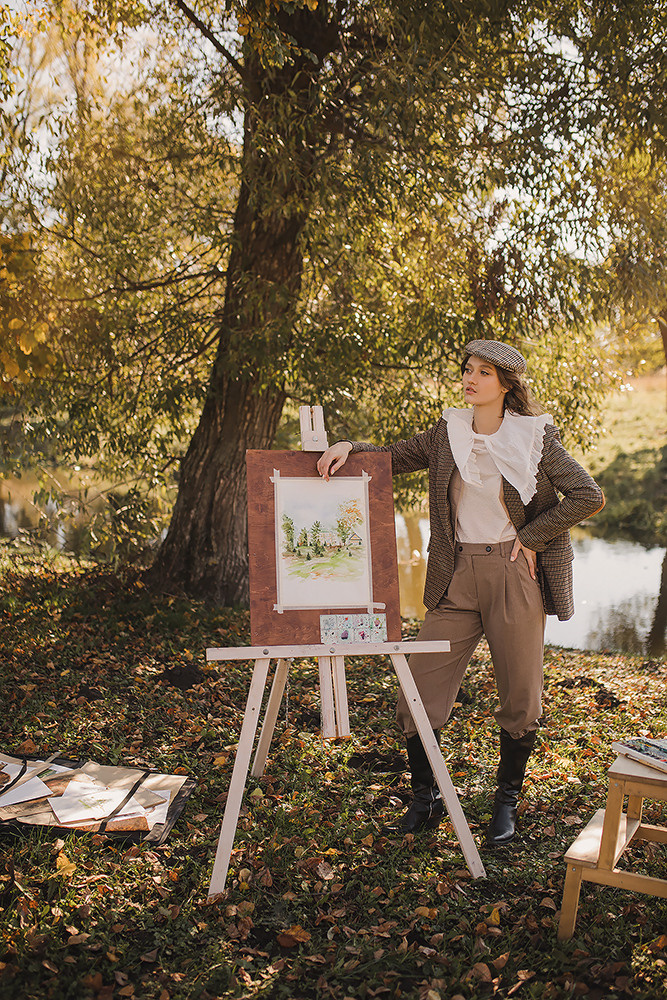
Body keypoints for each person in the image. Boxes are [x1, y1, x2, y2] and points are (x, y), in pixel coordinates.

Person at [317, 339, 605, 846]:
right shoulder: (448, 433)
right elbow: (393, 457)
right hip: (456, 576)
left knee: (521, 695)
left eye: (484, 373)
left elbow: (588, 494)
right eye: (468, 370)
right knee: (418, 689)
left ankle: (505, 805)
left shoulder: (535, 438)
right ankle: (425, 797)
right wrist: (351, 448)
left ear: (507, 385)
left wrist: (530, 536)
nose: (470, 379)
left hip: (514, 575)